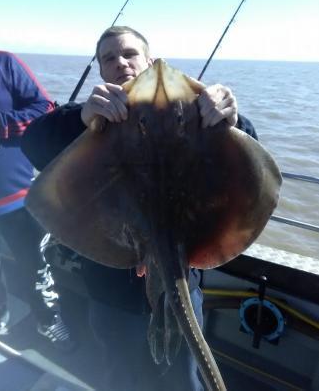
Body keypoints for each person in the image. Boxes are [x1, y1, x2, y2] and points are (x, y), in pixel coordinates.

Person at [21, 26, 258, 391]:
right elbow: (33, 142)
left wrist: (233, 118)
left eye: (129, 54)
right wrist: (80, 118)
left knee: (184, 375)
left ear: (148, 59)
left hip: (183, 270)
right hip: (111, 282)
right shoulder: (88, 119)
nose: (120, 63)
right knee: (120, 376)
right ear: (101, 71)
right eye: (109, 58)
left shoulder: (191, 111)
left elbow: (250, 161)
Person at [0, 49, 75, 351]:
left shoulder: (1, 63)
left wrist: (1, 124)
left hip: (16, 198)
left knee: (35, 267)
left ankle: (47, 319)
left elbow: (45, 109)